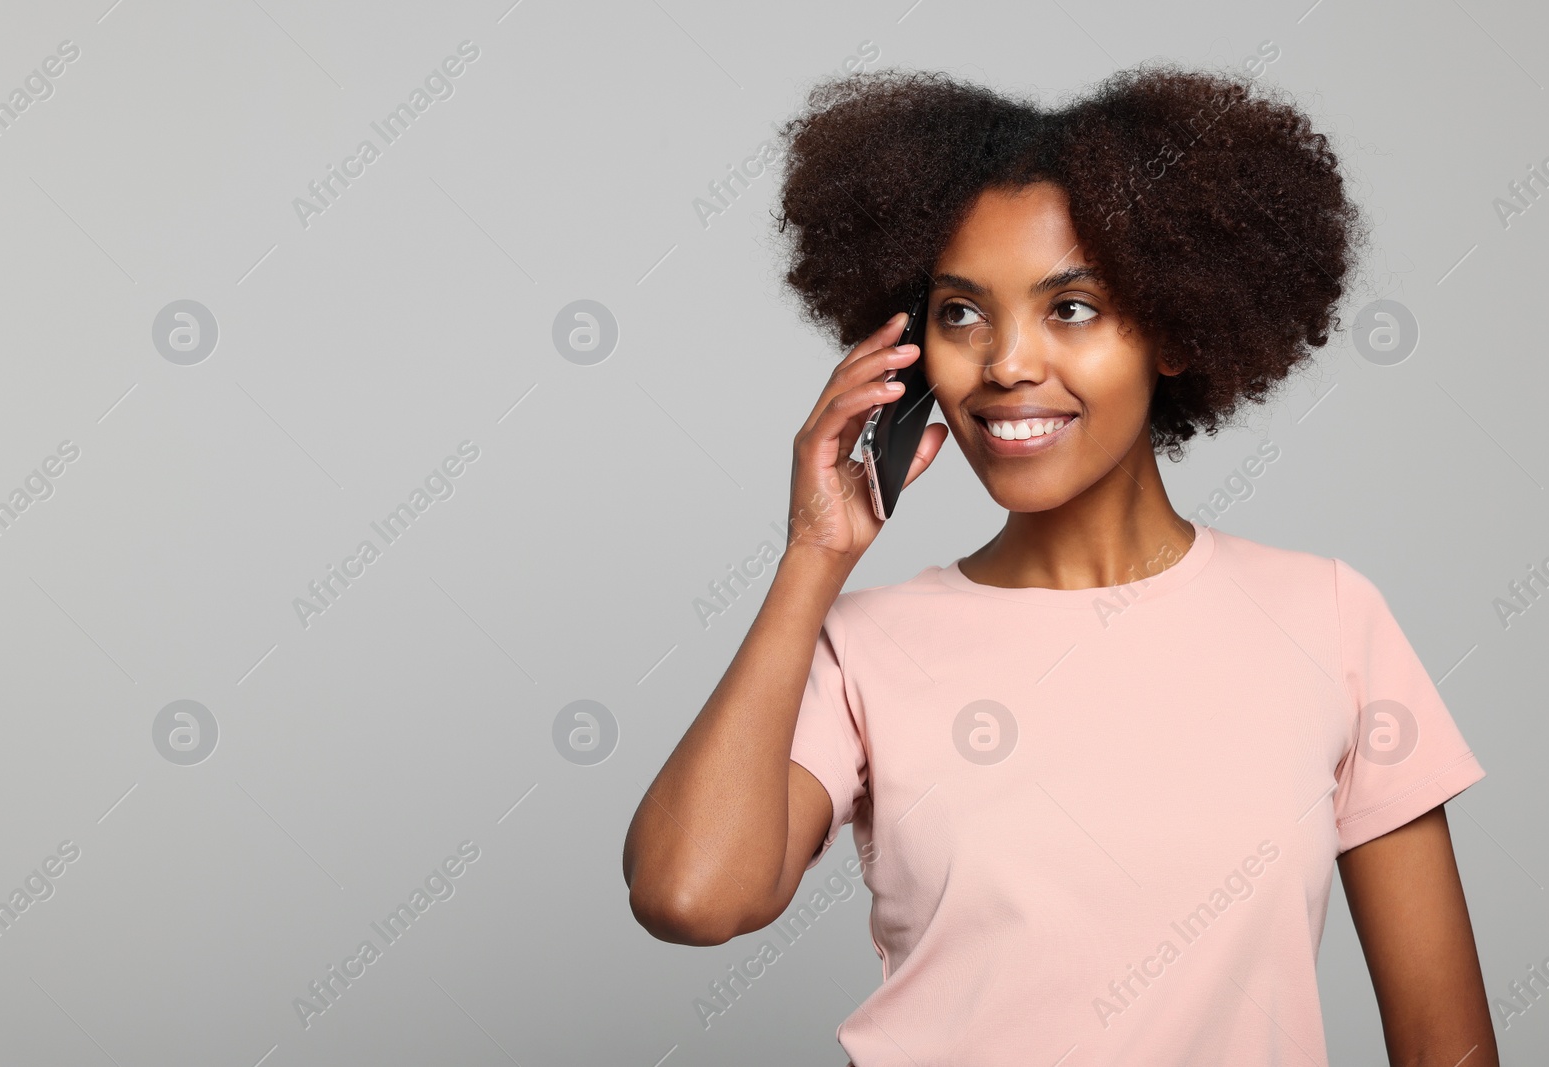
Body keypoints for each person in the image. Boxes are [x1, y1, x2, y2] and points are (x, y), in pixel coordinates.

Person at [622, 63, 1497, 1066]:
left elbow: (1446, 1046)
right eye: (960, 313)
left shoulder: (1327, 618)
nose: (1003, 363)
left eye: (1069, 308)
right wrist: (813, 556)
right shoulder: (859, 648)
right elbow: (688, 893)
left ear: (1171, 326)